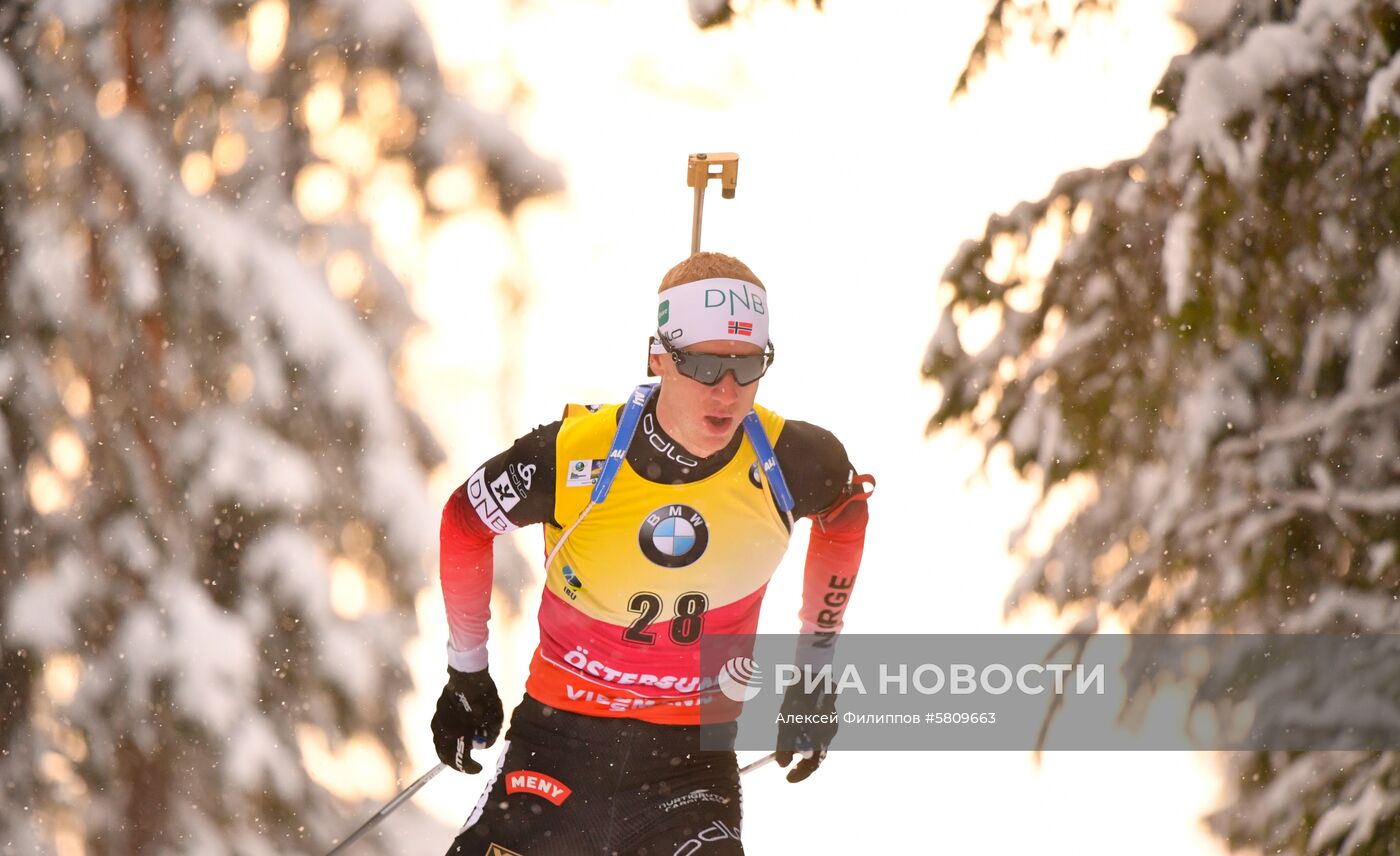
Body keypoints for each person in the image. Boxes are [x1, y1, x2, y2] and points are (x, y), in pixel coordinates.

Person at [433, 252, 873, 855]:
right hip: (556, 747)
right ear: (658, 356)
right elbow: (465, 519)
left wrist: (816, 664)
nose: (727, 391)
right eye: (703, 364)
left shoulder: (792, 460)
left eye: (747, 366)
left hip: (687, 770)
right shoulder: (572, 456)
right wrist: (467, 671)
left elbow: (846, 513)